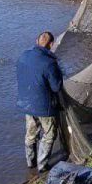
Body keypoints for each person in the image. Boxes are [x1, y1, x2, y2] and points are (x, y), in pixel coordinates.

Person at [15, 31, 63, 172]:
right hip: (44, 107)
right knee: (49, 135)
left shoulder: (23, 56)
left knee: (31, 134)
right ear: (51, 44)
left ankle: (30, 163)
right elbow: (56, 86)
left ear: (37, 41)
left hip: (26, 104)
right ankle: (42, 166)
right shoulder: (49, 62)